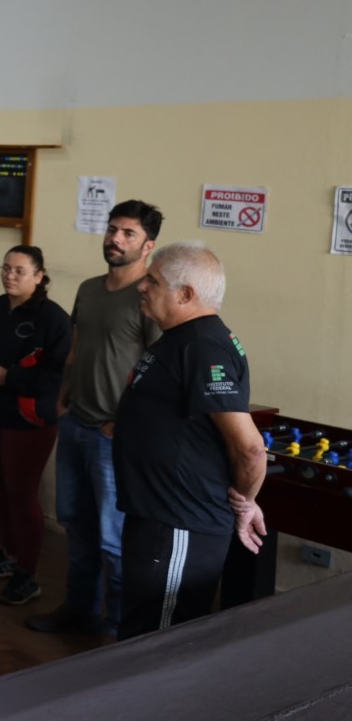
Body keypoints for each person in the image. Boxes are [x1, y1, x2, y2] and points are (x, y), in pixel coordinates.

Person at [112, 242, 265, 640]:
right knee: (140, 631)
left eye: (153, 280)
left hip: (179, 523)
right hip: (157, 516)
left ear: (185, 294)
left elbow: (250, 448)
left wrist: (246, 502)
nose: (142, 286)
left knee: (159, 642)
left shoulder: (201, 346)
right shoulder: (182, 338)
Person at [28, 200, 162, 636]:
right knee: (75, 525)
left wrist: (122, 423)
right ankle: (78, 609)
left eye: (128, 234)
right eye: (112, 229)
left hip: (113, 436)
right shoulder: (88, 289)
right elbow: (76, 347)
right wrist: (62, 401)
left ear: (148, 246)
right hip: (75, 423)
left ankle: (120, 626)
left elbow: (159, 368)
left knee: (112, 539)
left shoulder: (149, 295)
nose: (115, 239)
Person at [0, 246, 72, 606]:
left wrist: (8, 377)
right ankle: (9, 554)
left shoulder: (53, 319)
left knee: (21, 493)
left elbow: (55, 377)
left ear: (38, 277)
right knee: (1, 487)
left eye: (19, 271)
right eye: (6, 268)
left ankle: (28, 573)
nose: (9, 275)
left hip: (30, 419)